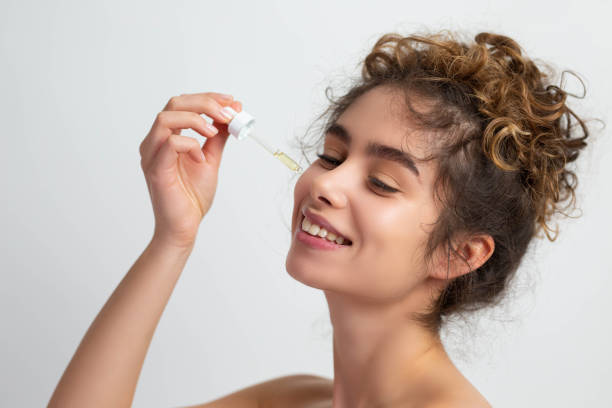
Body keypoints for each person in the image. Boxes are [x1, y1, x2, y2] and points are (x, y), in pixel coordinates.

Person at [48, 30, 591, 408]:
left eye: (382, 182)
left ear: (460, 253)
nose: (324, 183)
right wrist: (173, 237)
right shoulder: (290, 398)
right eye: (331, 155)